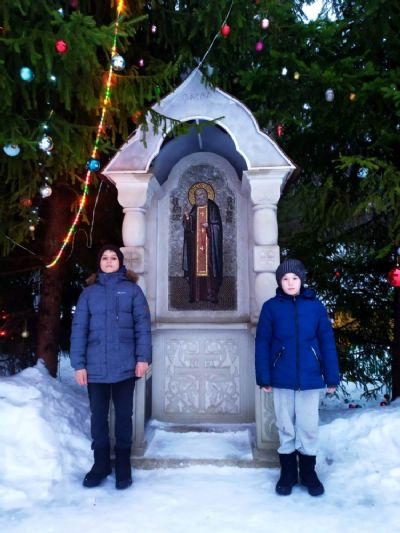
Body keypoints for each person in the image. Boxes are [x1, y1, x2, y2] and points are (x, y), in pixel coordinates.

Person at [255, 259, 340, 497]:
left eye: (294, 278)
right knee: (285, 425)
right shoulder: (271, 307)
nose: (290, 283)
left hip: (310, 378)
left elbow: (326, 342)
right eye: (285, 279)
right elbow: (262, 342)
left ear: (301, 280)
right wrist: (264, 376)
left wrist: (331, 377)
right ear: (279, 282)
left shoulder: (315, 307)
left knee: (308, 426)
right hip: (281, 377)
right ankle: (288, 473)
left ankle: (309, 473)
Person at [70, 244, 151, 490]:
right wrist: (79, 365)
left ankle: (123, 465)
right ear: (99, 263)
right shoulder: (88, 294)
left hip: (126, 366)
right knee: (98, 418)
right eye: (104, 258)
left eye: (113, 258)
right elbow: (79, 330)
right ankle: (101, 464)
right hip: (95, 368)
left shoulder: (133, 291)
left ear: (120, 262)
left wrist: (143, 358)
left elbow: (142, 327)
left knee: (124, 417)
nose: (108, 261)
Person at [182, 184, 223, 303]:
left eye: (201, 195)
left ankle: (211, 296)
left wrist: (209, 226)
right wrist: (187, 218)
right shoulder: (195, 208)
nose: (199, 197)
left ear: (206, 195)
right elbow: (189, 228)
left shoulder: (213, 207)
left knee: (209, 269)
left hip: (209, 247)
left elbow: (218, 226)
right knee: (195, 269)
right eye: (196, 195)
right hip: (196, 247)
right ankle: (195, 296)